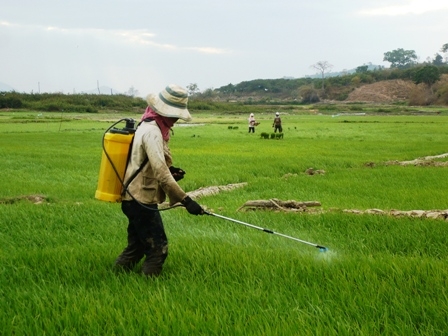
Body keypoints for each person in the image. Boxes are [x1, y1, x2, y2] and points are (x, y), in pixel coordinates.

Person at [115, 84, 205, 277]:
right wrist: (187, 201)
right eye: (174, 115)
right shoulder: (152, 132)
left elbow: (149, 164)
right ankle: (149, 289)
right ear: (163, 111)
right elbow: (161, 173)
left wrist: (171, 171)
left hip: (132, 198)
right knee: (158, 249)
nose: (175, 120)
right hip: (140, 200)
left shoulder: (148, 124)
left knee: (137, 246)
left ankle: (116, 276)